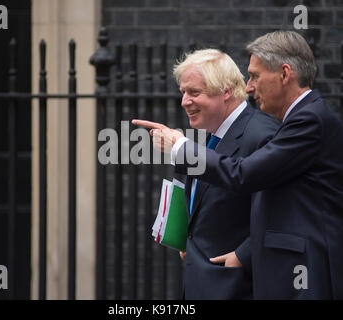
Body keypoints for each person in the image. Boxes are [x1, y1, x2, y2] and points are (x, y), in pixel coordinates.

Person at [133, 31, 343, 299]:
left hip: (295, 276)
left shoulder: (305, 121)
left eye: (255, 76)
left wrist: (179, 147)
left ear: (284, 73)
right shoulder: (298, 120)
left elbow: (245, 176)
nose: (250, 86)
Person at [134, 48, 280, 299]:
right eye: (183, 93)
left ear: (225, 91)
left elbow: (283, 209)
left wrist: (243, 256)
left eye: (194, 92)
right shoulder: (215, 135)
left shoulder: (261, 133)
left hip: (238, 286)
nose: (184, 101)